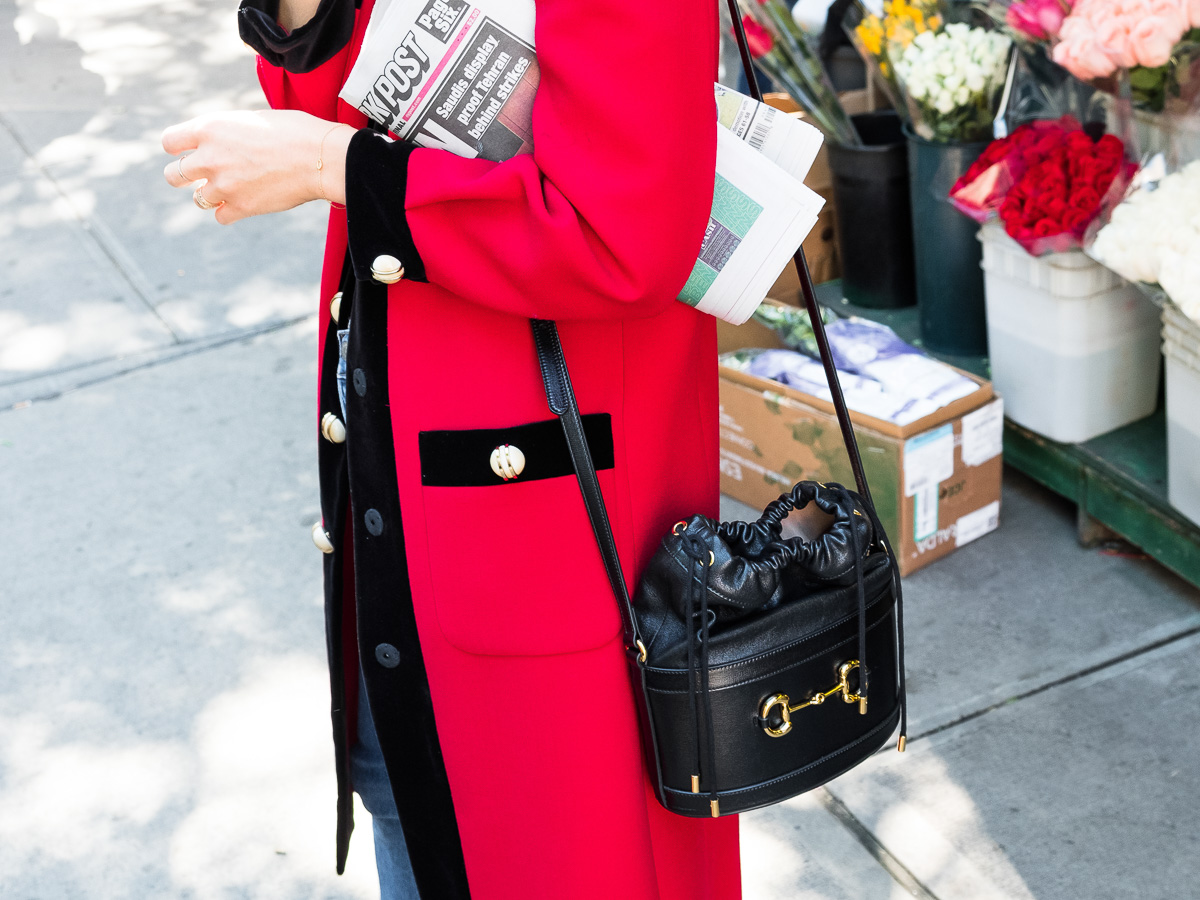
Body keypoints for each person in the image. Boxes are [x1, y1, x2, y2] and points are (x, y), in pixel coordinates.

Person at [161, 0, 742, 897]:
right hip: (402, 455)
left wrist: (332, 168)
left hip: (553, 499)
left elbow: (623, 237)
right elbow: (320, 95)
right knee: (406, 794)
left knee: (558, 846)